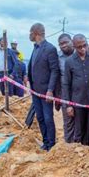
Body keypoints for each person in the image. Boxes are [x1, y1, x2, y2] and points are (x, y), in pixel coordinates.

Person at [63, 34, 89, 147]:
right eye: (79, 47)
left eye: (84, 45)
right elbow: (66, 84)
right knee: (79, 131)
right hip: (77, 102)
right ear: (74, 46)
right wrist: (68, 105)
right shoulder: (69, 61)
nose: (83, 49)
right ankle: (80, 154)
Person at [27, 23, 60, 151]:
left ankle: (51, 144)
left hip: (46, 92)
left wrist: (50, 90)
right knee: (40, 117)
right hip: (35, 91)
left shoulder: (50, 49)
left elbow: (54, 71)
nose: (29, 35)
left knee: (48, 118)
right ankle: (45, 142)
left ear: (36, 33)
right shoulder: (35, 48)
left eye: (30, 32)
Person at [57, 33, 76, 143]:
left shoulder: (79, 55)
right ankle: (68, 145)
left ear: (72, 41)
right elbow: (56, 76)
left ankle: (80, 145)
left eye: (65, 42)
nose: (63, 46)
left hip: (79, 92)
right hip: (65, 94)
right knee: (68, 121)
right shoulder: (58, 57)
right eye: (61, 44)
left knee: (80, 120)